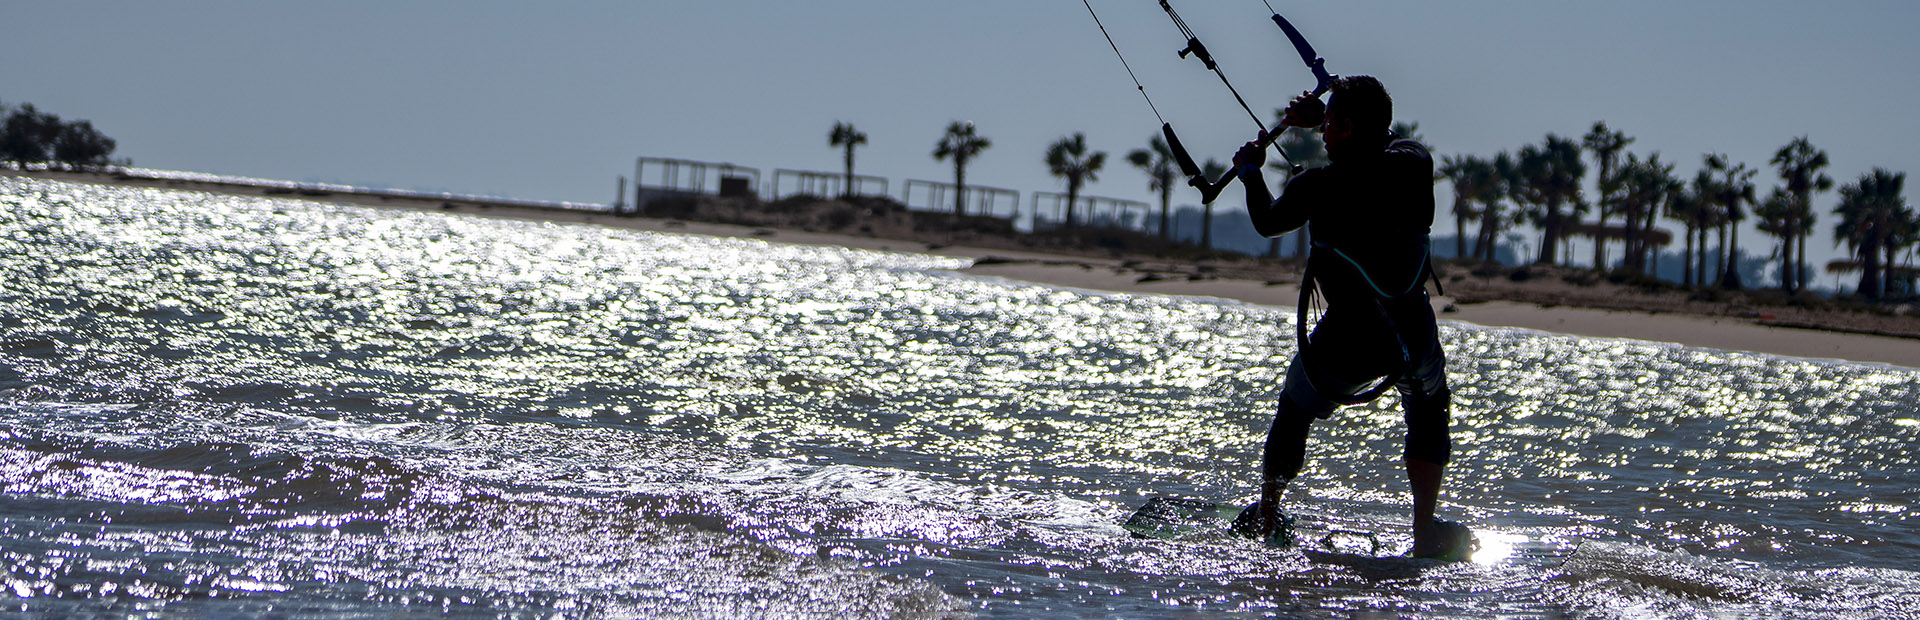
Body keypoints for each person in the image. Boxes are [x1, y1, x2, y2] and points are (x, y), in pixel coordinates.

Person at [1229, 75, 1470, 559]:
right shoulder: (1413, 163)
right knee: (1429, 407)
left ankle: (1269, 513)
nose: (1323, 132)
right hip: (1411, 328)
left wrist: (1251, 173)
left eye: (1332, 124)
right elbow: (1380, 149)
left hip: (1351, 334)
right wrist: (1331, 117)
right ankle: (1425, 529)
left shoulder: (1318, 185)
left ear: (1349, 126)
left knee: (1294, 409)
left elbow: (1268, 222)